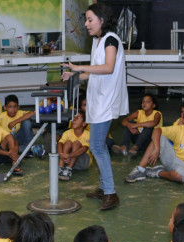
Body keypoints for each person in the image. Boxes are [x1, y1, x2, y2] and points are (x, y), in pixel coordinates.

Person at [61, 2, 128, 211]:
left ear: (102, 20)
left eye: (90, 20)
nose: (86, 24)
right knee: (97, 145)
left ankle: (110, 193)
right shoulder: (98, 41)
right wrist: (75, 75)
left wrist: (78, 66)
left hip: (106, 101)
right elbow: (96, 72)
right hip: (98, 99)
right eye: (86, 20)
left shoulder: (110, 40)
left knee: (97, 146)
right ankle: (103, 187)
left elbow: (108, 68)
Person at [126, 104, 184, 186]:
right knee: (158, 137)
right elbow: (157, 130)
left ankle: (157, 172)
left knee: (178, 177)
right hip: (172, 158)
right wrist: (157, 149)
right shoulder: (179, 128)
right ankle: (140, 170)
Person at [112, 92, 161, 157]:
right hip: (139, 139)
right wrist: (130, 126)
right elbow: (124, 121)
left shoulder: (157, 114)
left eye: (147, 101)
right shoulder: (139, 112)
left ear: (154, 105)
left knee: (148, 127)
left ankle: (135, 148)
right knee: (130, 123)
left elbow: (153, 123)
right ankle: (124, 147)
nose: (144, 103)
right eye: (143, 102)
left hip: (150, 142)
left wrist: (136, 125)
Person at [57, 111, 91, 181]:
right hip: (68, 160)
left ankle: (69, 169)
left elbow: (85, 148)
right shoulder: (67, 133)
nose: (74, 120)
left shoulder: (88, 134)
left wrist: (70, 155)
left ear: (84, 123)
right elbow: (60, 143)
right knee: (68, 142)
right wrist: (61, 154)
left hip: (83, 162)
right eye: (73, 118)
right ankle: (61, 167)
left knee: (76, 143)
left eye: (77, 118)